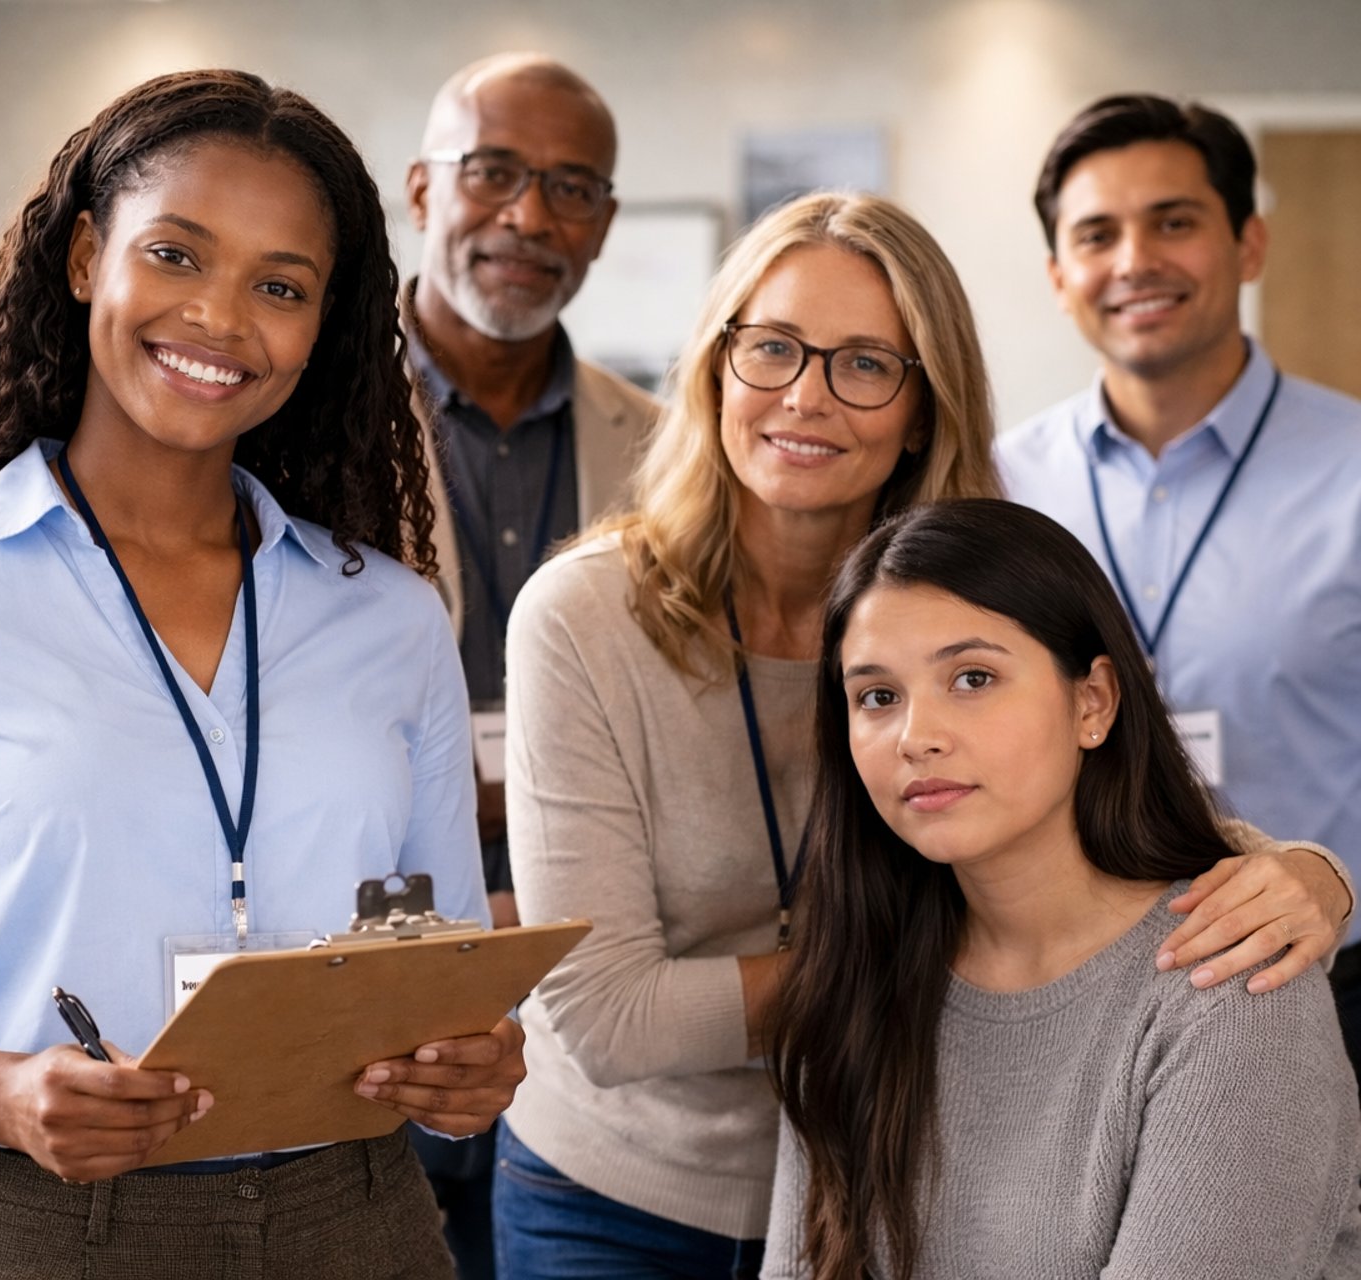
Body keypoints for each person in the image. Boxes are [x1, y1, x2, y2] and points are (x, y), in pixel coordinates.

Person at [0, 69, 523, 1278]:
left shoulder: (392, 617)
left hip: (356, 1221)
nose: (221, 318)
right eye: (178, 255)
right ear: (89, 255)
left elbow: (445, 955)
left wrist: (473, 1061)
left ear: (323, 328)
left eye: (281, 286)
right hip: (34, 1227)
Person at [498, 191, 1351, 1280]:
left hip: (904, 1134)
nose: (806, 394)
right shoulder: (581, 617)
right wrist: (919, 957)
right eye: (772, 349)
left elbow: (1089, 792)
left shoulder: (971, 584)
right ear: (716, 366)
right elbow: (609, 1016)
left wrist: (1304, 872)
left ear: (922, 402)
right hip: (636, 1185)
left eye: (864, 363)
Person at [763, 498, 1361, 1279]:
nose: (917, 736)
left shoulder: (1232, 987)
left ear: (1094, 702)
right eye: (878, 696)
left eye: (972, 678)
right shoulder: (852, 985)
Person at [998, 94, 1361, 1065]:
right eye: (1096, 234)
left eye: (1174, 222)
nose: (1133, 262)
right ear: (1058, 275)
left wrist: (1341, 879)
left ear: (1248, 244)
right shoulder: (997, 489)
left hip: (1330, 983)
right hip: (1068, 1001)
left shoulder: (1354, 468)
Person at [400, 52, 658, 1275]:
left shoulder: (664, 445)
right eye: (493, 172)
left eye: (570, 187)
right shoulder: (295, 420)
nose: (528, 217)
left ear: (603, 223)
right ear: (419, 190)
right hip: (376, 941)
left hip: (591, 953)